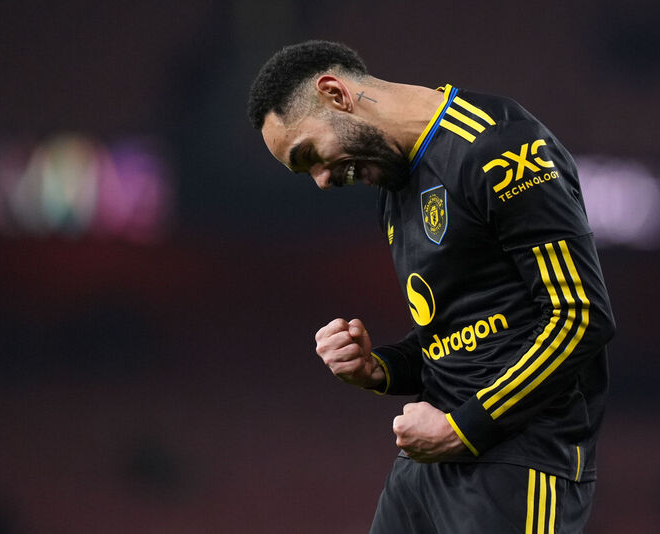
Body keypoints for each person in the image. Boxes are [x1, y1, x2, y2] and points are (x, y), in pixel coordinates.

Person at [247, 40, 615, 533]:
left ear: (335, 94)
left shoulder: (500, 146)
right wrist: (380, 368)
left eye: (310, 154)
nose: (321, 181)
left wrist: (465, 428)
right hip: (430, 461)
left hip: (520, 460)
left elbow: (580, 315)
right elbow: (460, 333)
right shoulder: (394, 189)